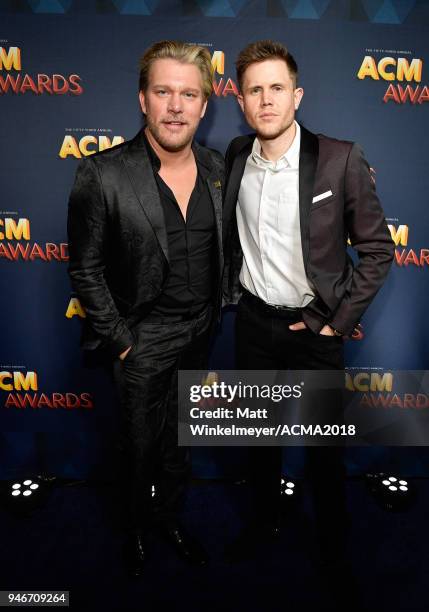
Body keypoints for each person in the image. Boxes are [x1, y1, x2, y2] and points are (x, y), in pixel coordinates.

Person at [222, 39, 394, 584]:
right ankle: (262, 524)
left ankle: (334, 546)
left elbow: (378, 250)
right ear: (241, 101)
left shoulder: (340, 158)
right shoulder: (231, 157)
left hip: (315, 329)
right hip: (253, 324)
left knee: (324, 450)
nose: (266, 100)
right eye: (255, 90)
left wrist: (335, 320)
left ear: (297, 96)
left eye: (277, 88)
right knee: (259, 443)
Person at [67, 40, 224, 576]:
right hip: (142, 337)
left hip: (202, 329)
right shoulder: (103, 173)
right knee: (138, 445)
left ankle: (170, 519)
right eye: (163, 92)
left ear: (205, 105)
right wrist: (123, 339)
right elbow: (85, 269)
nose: (176, 106)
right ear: (143, 99)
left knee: (181, 440)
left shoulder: (219, 169)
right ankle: (135, 527)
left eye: (188, 94)